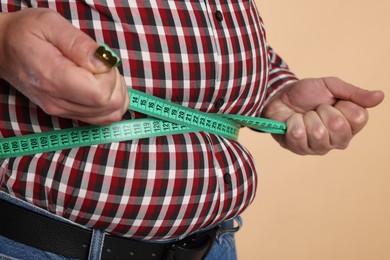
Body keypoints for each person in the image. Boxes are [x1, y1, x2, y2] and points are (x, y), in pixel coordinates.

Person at [0, 1, 384, 260]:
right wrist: (3, 39)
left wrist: (272, 88)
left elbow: (204, 26)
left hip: (216, 244)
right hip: (44, 244)